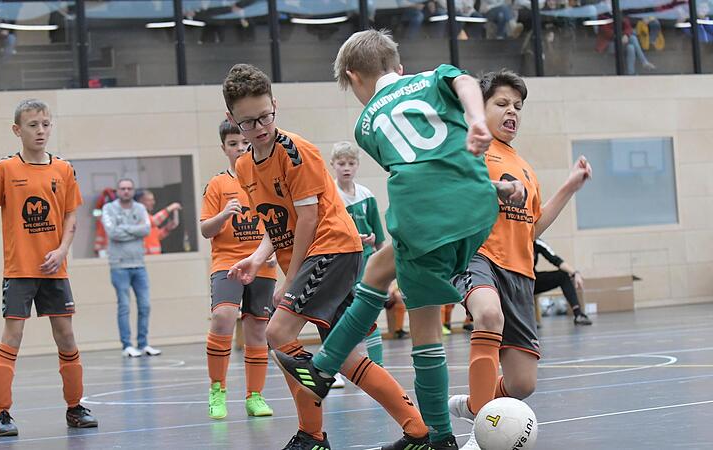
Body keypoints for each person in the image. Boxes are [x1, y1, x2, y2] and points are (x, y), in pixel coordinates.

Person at [272, 29, 524, 450]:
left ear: (353, 78)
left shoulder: (364, 124)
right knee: (378, 267)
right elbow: (463, 86)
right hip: (477, 208)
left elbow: (416, 166)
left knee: (424, 328)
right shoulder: (433, 78)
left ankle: (435, 436)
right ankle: (326, 366)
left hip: (422, 218)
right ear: (399, 67)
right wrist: (478, 121)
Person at [223, 63, 431, 450]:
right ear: (232, 119)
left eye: (265, 116)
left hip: (332, 248)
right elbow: (277, 222)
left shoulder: (295, 151)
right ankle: (418, 432)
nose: (260, 127)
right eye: (248, 122)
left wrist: (289, 280)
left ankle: (312, 432)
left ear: (275, 106)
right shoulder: (244, 165)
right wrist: (257, 258)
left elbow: (307, 218)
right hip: (311, 255)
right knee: (350, 358)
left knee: (277, 332)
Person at [448, 70, 592, 449]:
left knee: (523, 384)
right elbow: (455, 196)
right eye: (502, 103)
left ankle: (475, 403)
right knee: (488, 315)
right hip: (477, 257)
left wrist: (570, 186)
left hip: (519, 272)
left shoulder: (525, 166)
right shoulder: (470, 148)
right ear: (481, 108)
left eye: (518, 106)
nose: (512, 111)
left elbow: (532, 228)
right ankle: (480, 433)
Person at [0, 98, 98, 437]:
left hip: (55, 269)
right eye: (32, 125)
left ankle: (75, 407)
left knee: (66, 336)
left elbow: (72, 215)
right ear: (17, 130)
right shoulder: (5, 169)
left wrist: (63, 249)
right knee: (13, 336)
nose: (40, 131)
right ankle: (1, 414)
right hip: (19, 269)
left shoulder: (64, 170)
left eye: (45, 124)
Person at [200, 120, 277, 420]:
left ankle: (254, 396)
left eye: (244, 144)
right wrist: (223, 215)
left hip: (262, 263)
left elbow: (278, 222)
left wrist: (271, 253)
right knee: (223, 317)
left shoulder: (265, 181)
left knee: (258, 328)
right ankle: (217, 389)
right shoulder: (218, 184)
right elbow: (206, 229)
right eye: (233, 144)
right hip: (227, 263)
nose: (240, 149)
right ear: (224, 148)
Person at [330, 141, 386, 374]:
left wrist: (374, 243)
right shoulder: (331, 196)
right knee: (340, 317)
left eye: (351, 163)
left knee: (369, 316)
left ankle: (378, 369)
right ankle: (335, 366)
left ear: (357, 166)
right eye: (341, 163)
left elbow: (380, 238)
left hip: (367, 264)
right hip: (342, 264)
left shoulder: (367, 195)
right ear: (333, 165)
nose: (346, 168)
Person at [102, 178, 162, 358]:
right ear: (117, 191)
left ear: (133, 190)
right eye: (122, 188)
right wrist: (133, 230)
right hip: (119, 265)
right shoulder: (109, 209)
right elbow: (112, 232)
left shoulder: (140, 208)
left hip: (139, 264)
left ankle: (143, 344)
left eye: (129, 188)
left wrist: (124, 229)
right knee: (124, 306)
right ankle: (127, 345)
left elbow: (145, 230)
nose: (126, 191)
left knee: (145, 305)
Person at [534, 238, 592, 325]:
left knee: (563, 276)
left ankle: (578, 314)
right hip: (517, 281)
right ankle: (526, 321)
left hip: (533, 280)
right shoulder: (514, 241)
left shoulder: (537, 242)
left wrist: (575, 273)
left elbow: (556, 260)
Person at [134, 189, 181, 255]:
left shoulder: (148, 216)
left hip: (155, 257)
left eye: (152, 200)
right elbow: (154, 221)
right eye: (149, 200)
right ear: (140, 202)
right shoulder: (137, 215)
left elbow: (157, 236)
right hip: (145, 258)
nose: (153, 202)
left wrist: (167, 229)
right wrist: (170, 208)